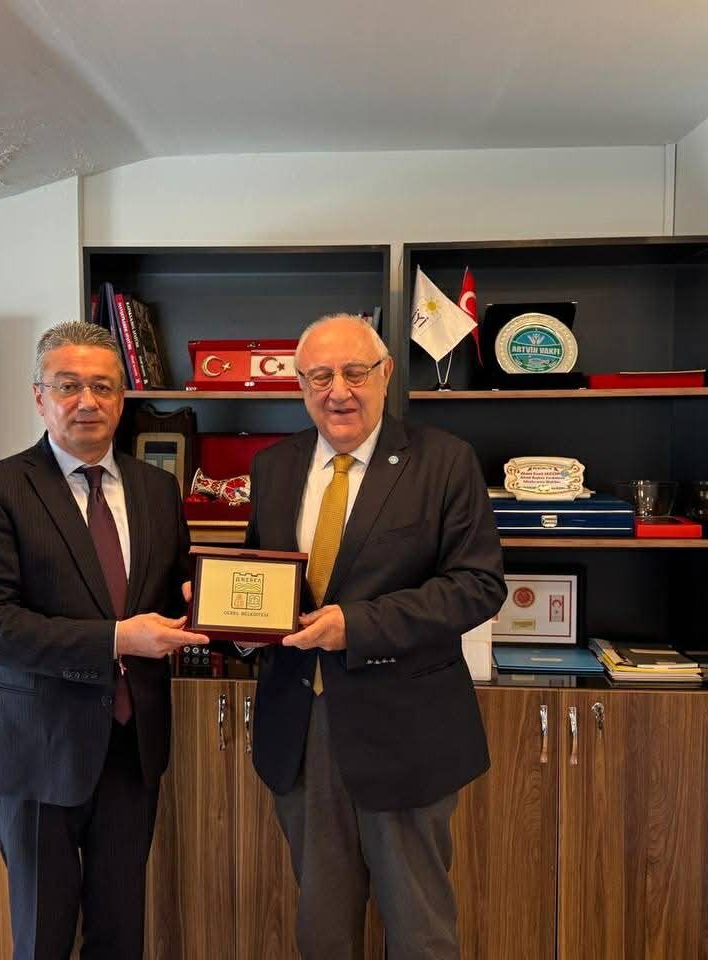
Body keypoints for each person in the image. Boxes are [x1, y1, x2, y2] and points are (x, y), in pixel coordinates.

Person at [243, 313, 506, 959]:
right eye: (319, 376)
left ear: (386, 374)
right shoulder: (273, 467)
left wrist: (357, 626)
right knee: (322, 931)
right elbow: (264, 575)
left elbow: (477, 585)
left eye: (355, 372)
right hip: (300, 730)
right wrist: (229, 618)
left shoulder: (444, 461)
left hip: (406, 733)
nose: (338, 391)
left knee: (419, 932)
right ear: (300, 385)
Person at [0, 320, 206, 960]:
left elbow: (175, 590)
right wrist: (116, 639)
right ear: (39, 397)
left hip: (131, 748)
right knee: (43, 936)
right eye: (68, 386)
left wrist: (213, 608)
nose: (86, 401)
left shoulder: (156, 489)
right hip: (36, 749)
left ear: (122, 399)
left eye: (103, 386)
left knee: (121, 934)